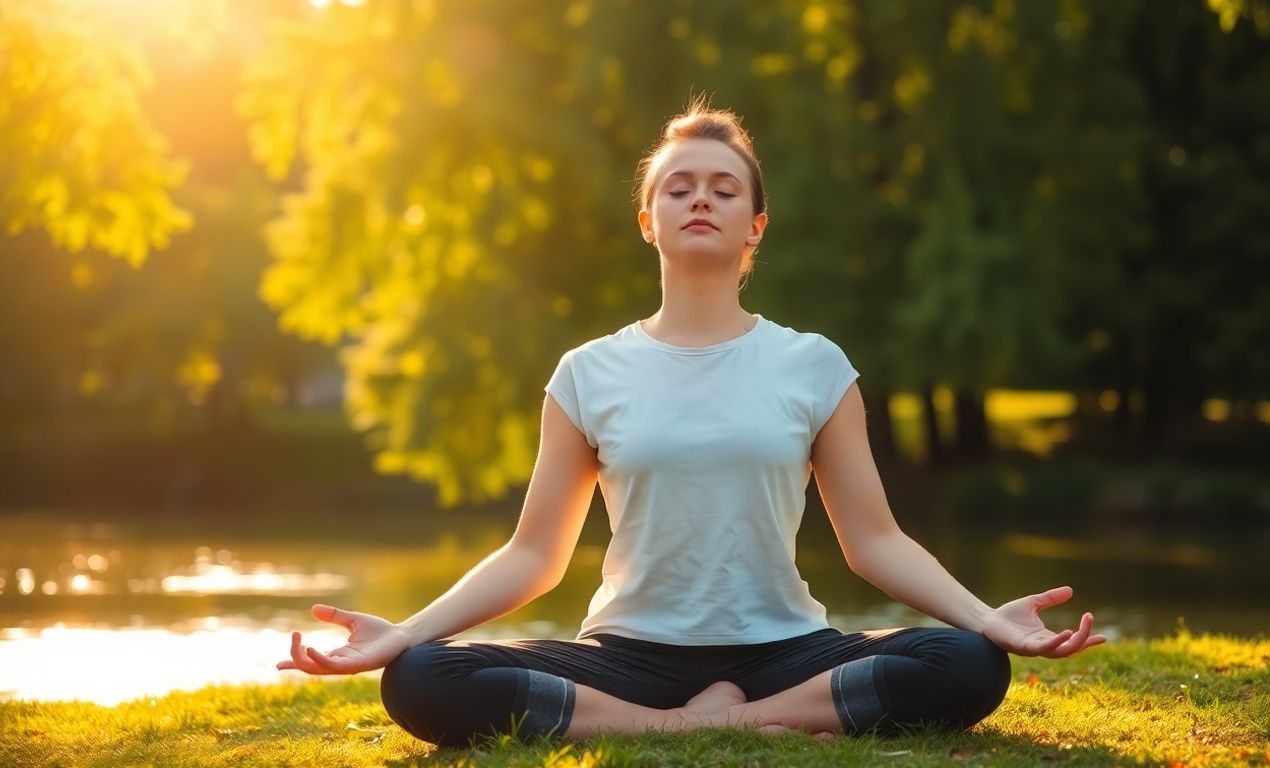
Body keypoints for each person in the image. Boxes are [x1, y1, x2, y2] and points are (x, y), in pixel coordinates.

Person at [277, 101, 1105, 746]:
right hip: (629, 656)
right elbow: (535, 555)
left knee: (964, 663)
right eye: (678, 187)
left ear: (755, 227)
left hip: (784, 649)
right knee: (420, 680)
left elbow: (875, 542)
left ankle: (735, 716)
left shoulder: (814, 364)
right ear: (649, 223)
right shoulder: (586, 372)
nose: (699, 198)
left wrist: (989, 619)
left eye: (722, 188)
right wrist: (406, 632)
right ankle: (683, 725)